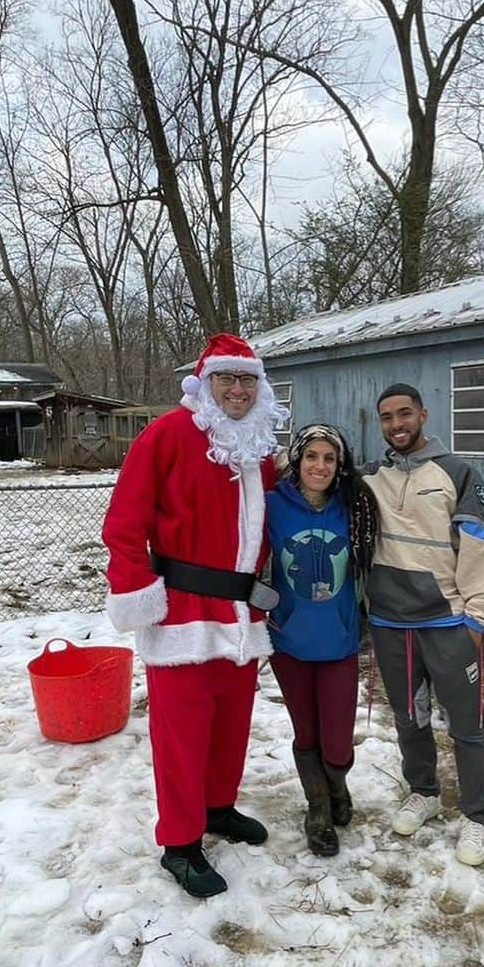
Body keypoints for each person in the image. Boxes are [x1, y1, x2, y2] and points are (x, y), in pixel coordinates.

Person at [102, 333, 287, 899]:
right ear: (204, 385)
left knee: (231, 724)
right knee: (180, 735)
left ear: (260, 387)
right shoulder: (167, 435)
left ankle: (217, 808)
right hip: (182, 610)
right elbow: (124, 526)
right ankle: (179, 844)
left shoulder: (259, 448)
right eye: (227, 379)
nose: (237, 389)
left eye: (247, 380)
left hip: (241, 614)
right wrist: (140, 595)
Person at [363, 384, 484, 866]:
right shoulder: (371, 477)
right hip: (389, 623)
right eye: (387, 417)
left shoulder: (458, 472)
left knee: (465, 725)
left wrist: (477, 619)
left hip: (446, 623)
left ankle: (475, 816)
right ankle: (424, 792)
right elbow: (310, 474)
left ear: (423, 414)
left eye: (405, 413)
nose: (396, 424)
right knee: (410, 717)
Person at [265, 424, 378, 857]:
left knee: (336, 739)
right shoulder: (273, 505)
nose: (320, 466)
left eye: (329, 458)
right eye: (311, 456)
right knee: (305, 730)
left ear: (340, 465)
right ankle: (318, 808)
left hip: (340, 639)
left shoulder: (354, 506)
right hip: (288, 639)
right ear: (297, 460)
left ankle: (338, 783)